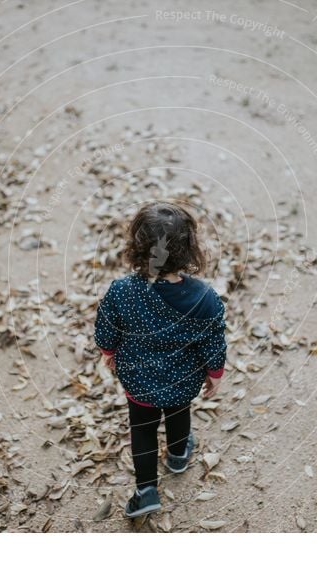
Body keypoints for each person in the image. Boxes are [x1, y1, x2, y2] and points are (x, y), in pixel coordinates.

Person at [94, 200, 228, 518]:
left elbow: (106, 330)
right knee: (179, 413)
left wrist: (110, 353)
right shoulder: (205, 298)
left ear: (137, 247)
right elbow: (214, 341)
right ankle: (179, 454)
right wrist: (215, 373)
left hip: (139, 381)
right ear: (190, 249)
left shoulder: (122, 291)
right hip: (183, 380)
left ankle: (145, 491)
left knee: (142, 429)